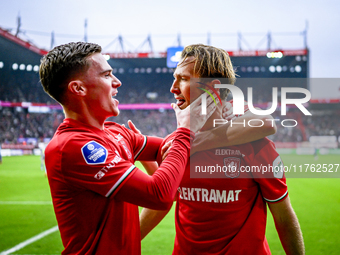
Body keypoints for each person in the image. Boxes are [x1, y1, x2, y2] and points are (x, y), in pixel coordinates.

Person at [39, 41, 203, 254]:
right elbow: (159, 194)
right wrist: (185, 131)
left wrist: (241, 123)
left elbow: (170, 147)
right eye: (106, 75)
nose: (117, 82)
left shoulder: (116, 132)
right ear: (78, 88)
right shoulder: (73, 147)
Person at [139, 44, 305, 255]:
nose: (172, 88)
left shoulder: (255, 145)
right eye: (174, 78)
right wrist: (124, 242)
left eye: (183, 78)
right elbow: (165, 201)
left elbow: (283, 215)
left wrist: (197, 143)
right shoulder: (175, 144)